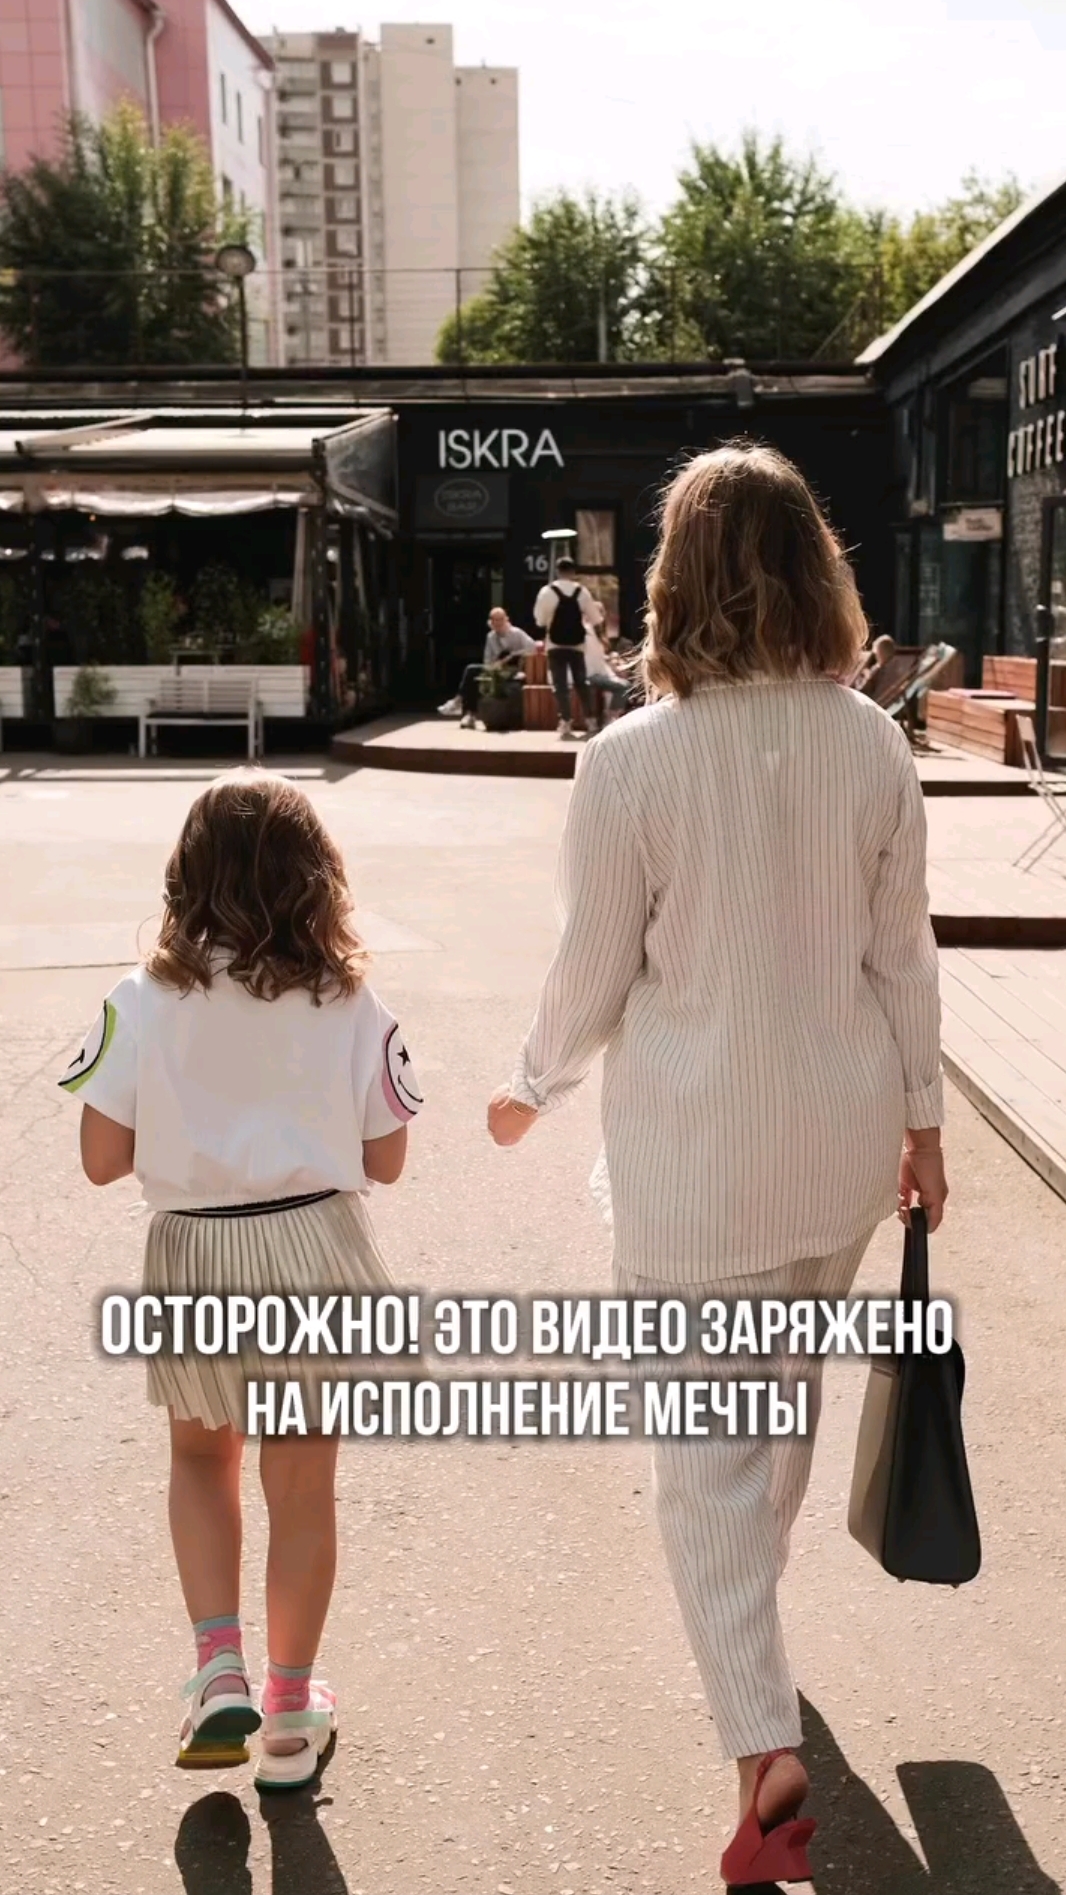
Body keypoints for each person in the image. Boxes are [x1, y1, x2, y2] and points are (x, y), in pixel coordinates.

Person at [486, 444, 947, 1887]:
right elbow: (903, 956)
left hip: (698, 1161)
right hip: (839, 1148)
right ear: (816, 569)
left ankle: (763, 1750)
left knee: (702, 1472)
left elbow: (591, 968)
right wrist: (925, 1124)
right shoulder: (872, 742)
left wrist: (526, 1086)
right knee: (771, 1422)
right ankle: (758, 1651)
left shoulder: (628, 760)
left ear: (674, 580)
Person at [59, 771, 422, 1791]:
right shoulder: (349, 996)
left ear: (186, 875)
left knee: (198, 1458)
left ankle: (220, 1669)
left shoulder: (139, 998)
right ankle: (292, 1713)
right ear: (316, 879)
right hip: (315, 1246)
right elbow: (387, 1158)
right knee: (301, 1481)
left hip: (197, 1251)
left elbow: (100, 1158)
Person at [534, 556, 602, 740]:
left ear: (557, 571)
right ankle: (591, 720)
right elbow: (595, 618)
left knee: (560, 684)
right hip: (577, 644)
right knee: (581, 683)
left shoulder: (547, 591)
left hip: (554, 644)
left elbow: (540, 620)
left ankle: (565, 721)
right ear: (573, 572)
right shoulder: (582, 591)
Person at [438, 606, 538, 729]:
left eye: (501, 619)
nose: (498, 623)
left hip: (515, 670)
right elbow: (487, 660)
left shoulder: (517, 633)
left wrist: (512, 655)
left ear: (506, 619)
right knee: (472, 671)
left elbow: (533, 647)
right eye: (495, 620)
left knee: (481, 673)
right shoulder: (491, 637)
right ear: (491, 622)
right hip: (496, 669)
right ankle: (467, 712)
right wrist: (495, 664)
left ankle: (458, 701)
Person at [584, 623, 632, 730]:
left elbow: (599, 660)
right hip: (587, 674)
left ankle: (612, 717)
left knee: (624, 685)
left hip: (600, 673)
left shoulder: (600, 638)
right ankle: (597, 719)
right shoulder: (586, 633)